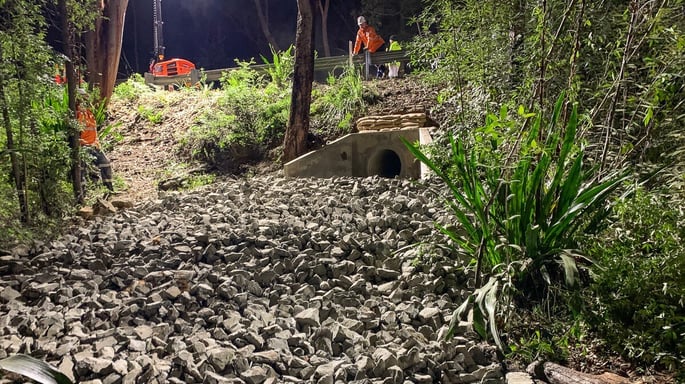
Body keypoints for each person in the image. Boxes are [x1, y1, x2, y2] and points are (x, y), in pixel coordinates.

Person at [77, 89, 114, 192]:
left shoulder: (90, 114)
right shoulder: (76, 114)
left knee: (105, 163)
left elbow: (94, 132)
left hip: (94, 145)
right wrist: (81, 143)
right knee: (82, 169)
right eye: (82, 98)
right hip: (83, 146)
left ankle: (109, 189)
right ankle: (82, 193)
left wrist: (97, 143)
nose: (85, 101)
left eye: (85, 98)